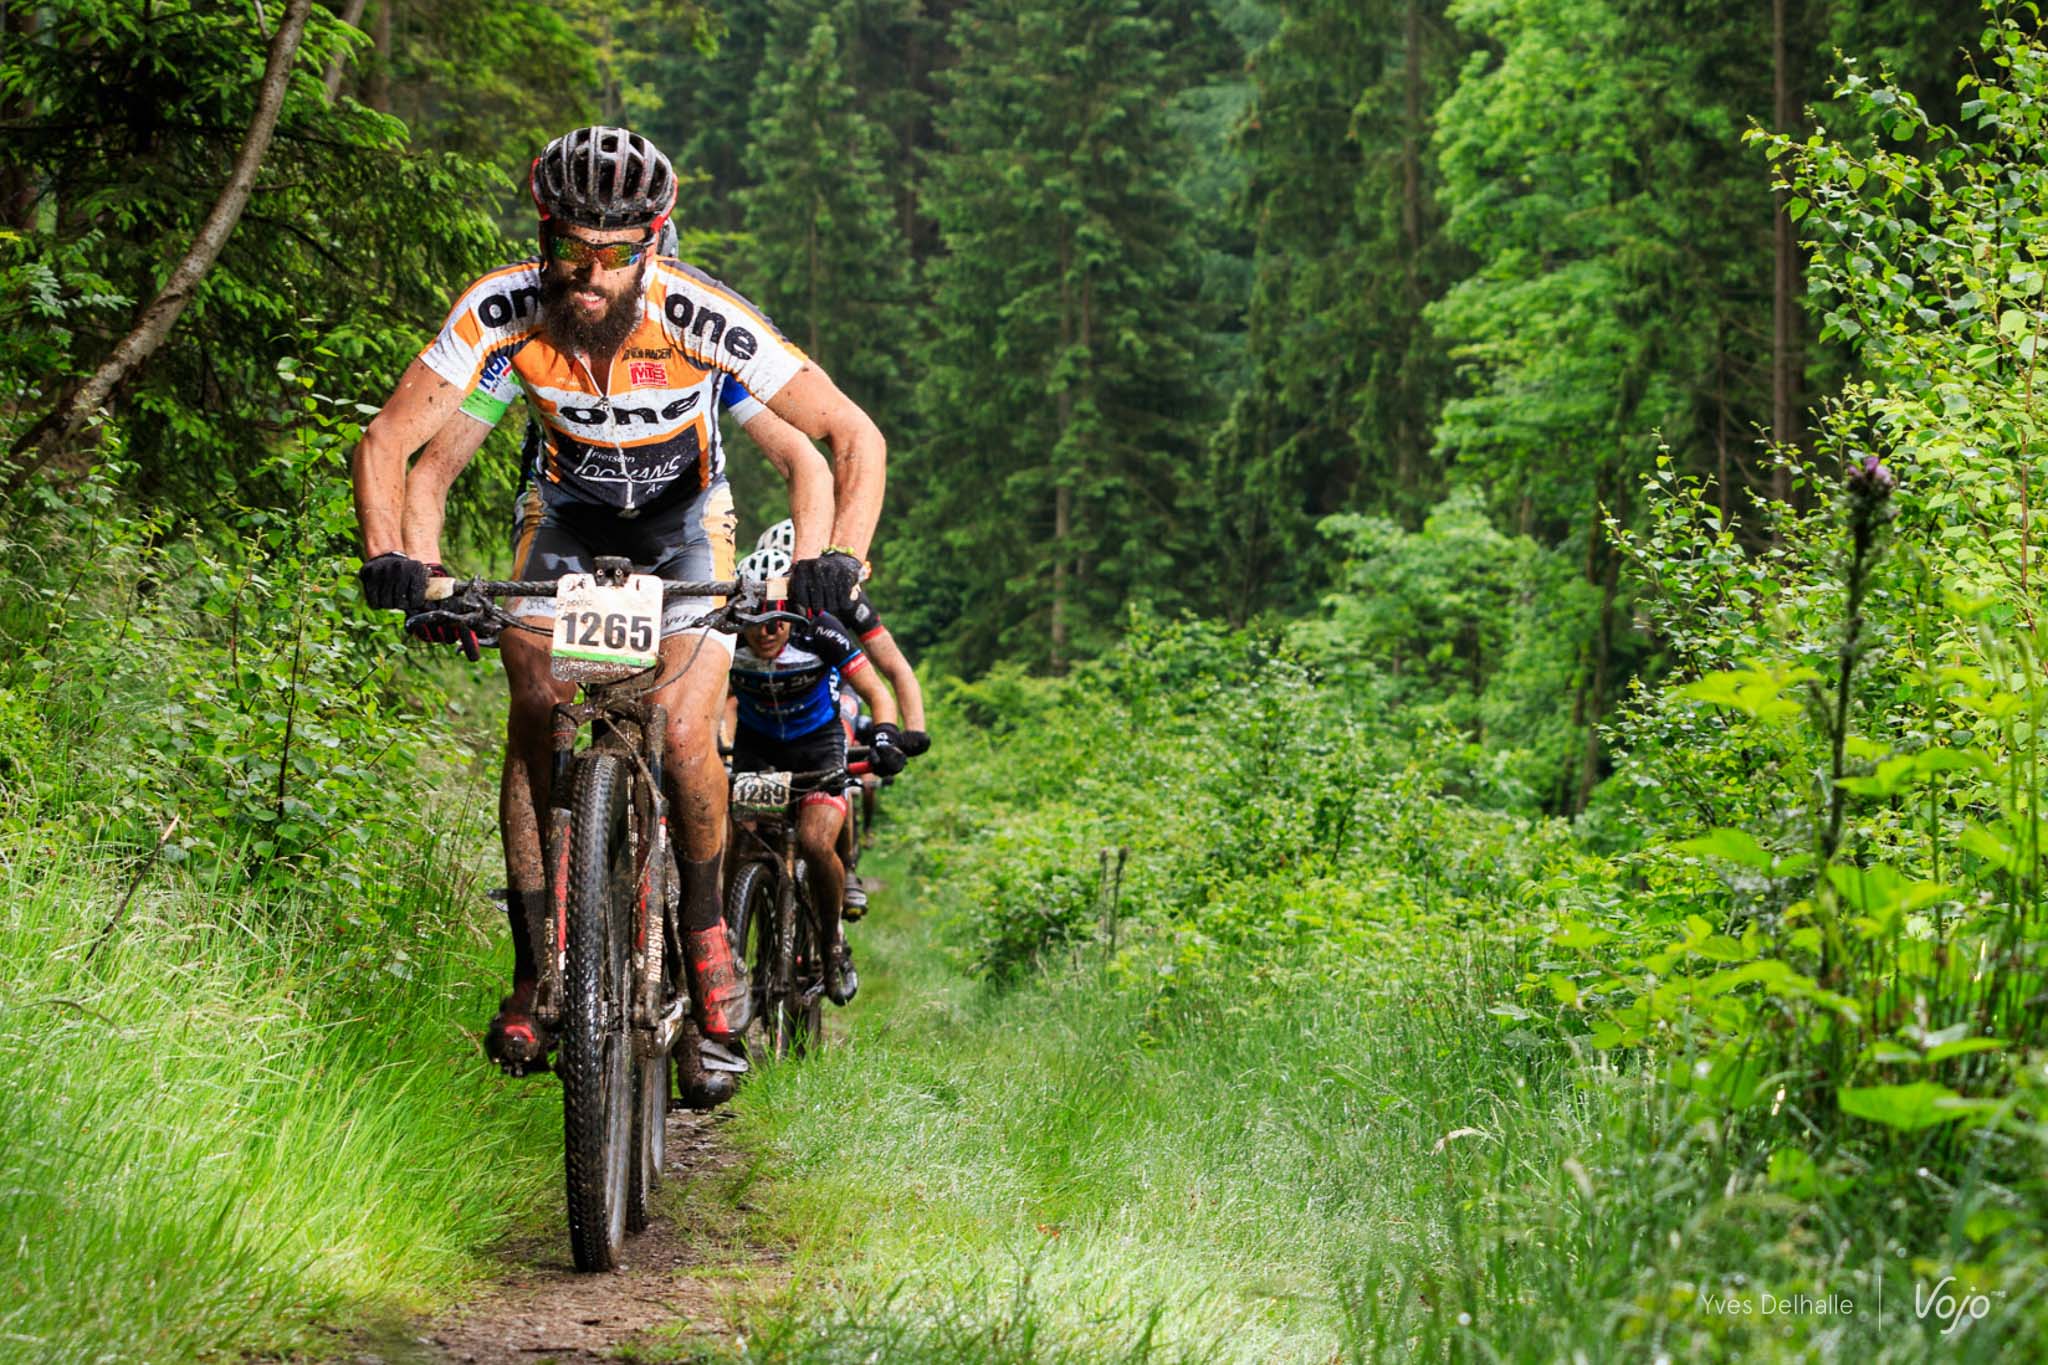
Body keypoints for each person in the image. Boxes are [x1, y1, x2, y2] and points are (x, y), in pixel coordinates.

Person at [349, 126, 886, 1089]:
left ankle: (710, 940)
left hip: (686, 527)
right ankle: (530, 967)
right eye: (568, 249)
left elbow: (846, 436)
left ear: (654, 243)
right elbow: (398, 446)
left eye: (614, 256)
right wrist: (404, 562)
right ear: (543, 234)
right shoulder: (505, 313)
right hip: (563, 517)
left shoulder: (697, 316)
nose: (587, 277)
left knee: (684, 735)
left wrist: (833, 559)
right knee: (532, 699)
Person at [723, 563, 907, 1005]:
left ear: (791, 611)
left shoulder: (820, 631)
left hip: (818, 746)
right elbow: (715, 706)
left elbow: (878, 693)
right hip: (758, 747)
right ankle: (727, 936)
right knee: (737, 841)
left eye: (777, 620)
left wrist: (884, 736)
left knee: (814, 841)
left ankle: (831, 942)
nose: (767, 632)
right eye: (756, 623)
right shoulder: (726, 640)